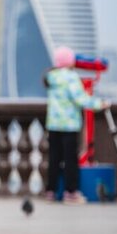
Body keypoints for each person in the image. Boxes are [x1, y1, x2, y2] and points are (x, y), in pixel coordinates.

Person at [44, 46, 109, 204]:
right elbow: (81, 99)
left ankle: (51, 191)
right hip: (69, 125)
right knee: (70, 159)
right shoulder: (71, 77)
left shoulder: (51, 77)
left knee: (54, 158)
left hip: (53, 125)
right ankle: (71, 192)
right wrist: (100, 104)